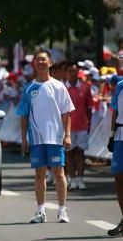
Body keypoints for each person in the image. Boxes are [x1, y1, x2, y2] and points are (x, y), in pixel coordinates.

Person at [16, 50, 74, 224]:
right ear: (34, 63)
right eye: (37, 60)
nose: (40, 62)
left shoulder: (59, 86)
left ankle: (62, 210)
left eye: (43, 59)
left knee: (59, 173)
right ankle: (40, 211)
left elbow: (66, 113)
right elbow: (23, 115)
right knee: (39, 174)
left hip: (55, 137)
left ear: (50, 62)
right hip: (36, 138)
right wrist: (24, 139)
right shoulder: (28, 88)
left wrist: (68, 135)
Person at [65, 62, 93, 190]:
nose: (72, 73)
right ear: (66, 73)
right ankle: (73, 179)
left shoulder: (85, 87)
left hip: (82, 126)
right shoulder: (62, 88)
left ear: (78, 72)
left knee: (80, 153)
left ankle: (81, 179)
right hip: (67, 127)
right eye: (70, 71)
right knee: (70, 154)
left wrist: (89, 124)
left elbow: (89, 108)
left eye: (74, 71)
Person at [107, 77, 123, 236]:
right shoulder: (120, 85)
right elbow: (115, 111)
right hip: (120, 134)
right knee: (118, 176)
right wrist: (111, 135)